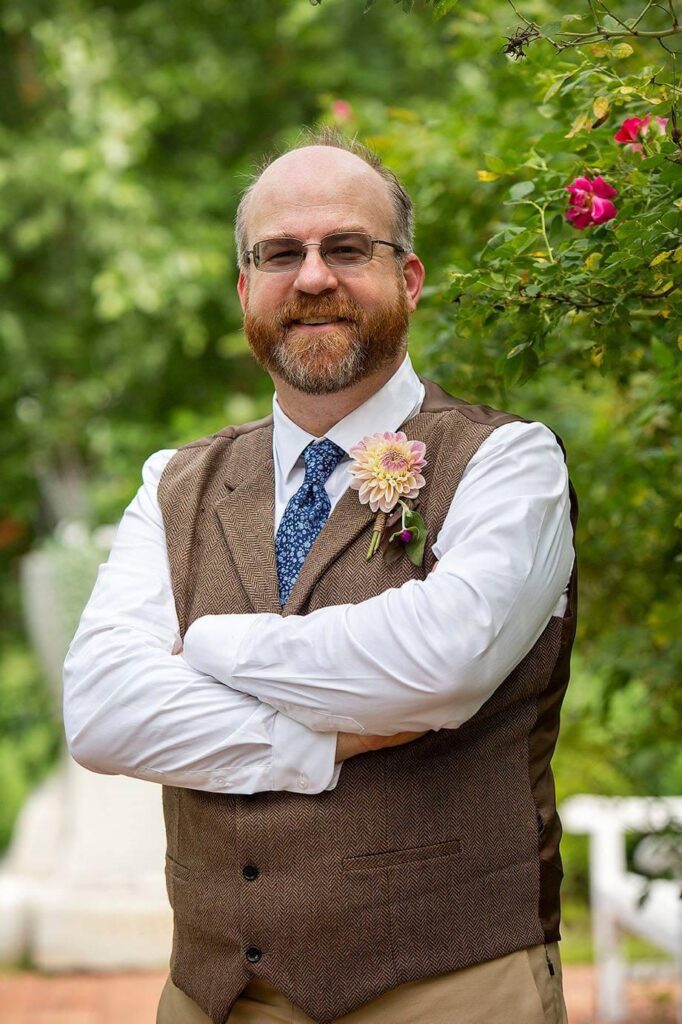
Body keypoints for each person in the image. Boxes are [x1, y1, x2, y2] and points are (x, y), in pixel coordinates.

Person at [63, 128, 577, 1024]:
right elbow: (105, 712)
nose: (312, 279)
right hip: (211, 998)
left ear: (408, 279)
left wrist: (212, 645)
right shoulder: (171, 482)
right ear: (245, 291)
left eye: (347, 248)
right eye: (280, 255)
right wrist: (322, 740)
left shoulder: (510, 464)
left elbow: (440, 665)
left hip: (453, 991)